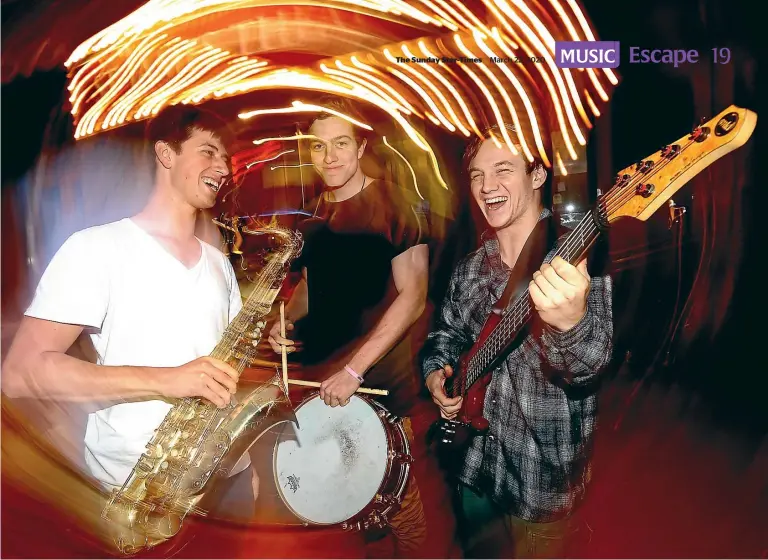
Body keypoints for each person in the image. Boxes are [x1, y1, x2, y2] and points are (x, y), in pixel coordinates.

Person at [2, 105, 258, 525]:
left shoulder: (219, 263)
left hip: (223, 482)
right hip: (140, 495)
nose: (223, 167)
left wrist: (243, 462)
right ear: (166, 153)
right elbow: (19, 373)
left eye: (226, 158)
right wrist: (167, 379)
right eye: (209, 151)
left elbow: (222, 370)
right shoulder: (96, 248)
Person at [266, 96, 457, 558]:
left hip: (378, 387)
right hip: (322, 383)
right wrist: (284, 317)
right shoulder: (312, 214)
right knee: (346, 504)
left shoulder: (396, 203)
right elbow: (312, 288)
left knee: (401, 511)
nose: (329, 157)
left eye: (340, 143)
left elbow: (413, 296)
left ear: (361, 144)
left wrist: (354, 371)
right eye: (318, 146)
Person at [421, 124, 614, 558]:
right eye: (476, 175)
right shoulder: (471, 267)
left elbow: (589, 365)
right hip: (473, 465)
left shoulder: (576, 260)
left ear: (538, 175)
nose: (487, 186)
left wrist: (571, 324)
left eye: (503, 169)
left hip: (540, 482)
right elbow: (444, 335)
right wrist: (436, 373)